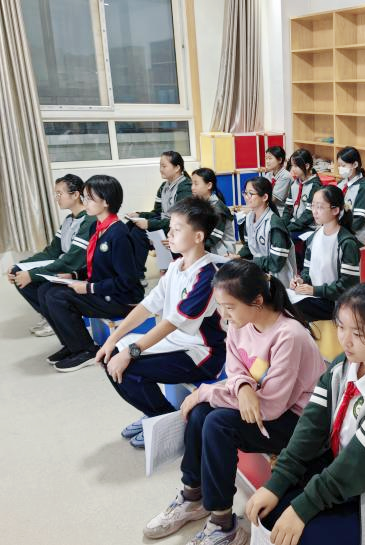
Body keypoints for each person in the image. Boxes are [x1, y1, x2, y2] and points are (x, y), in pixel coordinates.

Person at [142, 260, 325, 545]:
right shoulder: (241, 322)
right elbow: (235, 367)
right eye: (220, 306)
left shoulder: (289, 335)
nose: (223, 315)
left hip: (299, 421)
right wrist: (242, 387)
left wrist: (206, 392)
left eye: (229, 307)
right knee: (201, 413)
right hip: (265, 403)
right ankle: (193, 494)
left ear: (257, 301)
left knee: (217, 421)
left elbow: (271, 406)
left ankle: (223, 524)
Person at [246, 281, 365, 545]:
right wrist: (277, 482)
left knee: (297, 533)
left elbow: (359, 465)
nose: (345, 339)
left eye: (358, 332)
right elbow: (311, 427)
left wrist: (302, 509)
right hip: (339, 474)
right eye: (341, 327)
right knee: (268, 515)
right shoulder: (342, 366)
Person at [97, 197, 226, 449]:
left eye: (177, 229)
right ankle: (154, 414)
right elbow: (147, 306)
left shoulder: (208, 275)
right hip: (174, 343)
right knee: (109, 356)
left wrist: (130, 352)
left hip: (202, 354)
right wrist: (112, 340)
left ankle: (166, 421)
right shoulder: (177, 266)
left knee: (128, 366)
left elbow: (172, 323)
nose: (169, 235)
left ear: (198, 237)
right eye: (170, 229)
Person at [43, 175, 144, 372]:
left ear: (106, 202)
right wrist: (74, 276)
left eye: (90, 198)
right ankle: (71, 345)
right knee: (46, 289)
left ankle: (87, 351)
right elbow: (98, 266)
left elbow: (128, 281)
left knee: (57, 297)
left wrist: (89, 287)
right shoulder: (96, 228)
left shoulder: (119, 234)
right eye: (85, 197)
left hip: (121, 300)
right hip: (102, 290)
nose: (85, 202)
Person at [7, 174, 94, 337]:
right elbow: (52, 251)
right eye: (56, 194)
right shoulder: (68, 220)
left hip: (76, 270)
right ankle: (48, 315)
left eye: (60, 193)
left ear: (75, 195)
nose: (56, 198)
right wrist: (21, 264)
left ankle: (54, 316)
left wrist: (32, 274)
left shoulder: (89, 221)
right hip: (63, 264)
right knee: (17, 271)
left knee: (29, 277)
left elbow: (72, 261)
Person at [290, 185, 361, 321]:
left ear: (335, 210)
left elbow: (348, 286)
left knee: (294, 308)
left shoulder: (346, 242)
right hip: (316, 296)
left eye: (320, 207)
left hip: (336, 303)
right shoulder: (314, 236)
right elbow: (307, 269)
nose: (315, 212)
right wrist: (301, 280)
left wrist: (314, 290)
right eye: (313, 206)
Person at [126, 150, 193, 278]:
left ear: (177, 168)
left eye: (164, 166)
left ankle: (137, 275)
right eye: (160, 166)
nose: (161, 169)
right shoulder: (163, 187)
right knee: (129, 225)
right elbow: (157, 212)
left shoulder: (185, 187)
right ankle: (130, 271)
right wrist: (139, 215)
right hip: (165, 225)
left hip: (177, 228)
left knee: (138, 233)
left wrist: (149, 224)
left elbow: (181, 220)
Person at [237, 176, 297, 287]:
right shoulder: (249, 217)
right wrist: (238, 256)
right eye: (245, 193)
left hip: (278, 280)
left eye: (251, 194)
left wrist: (251, 262)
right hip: (259, 272)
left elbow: (276, 263)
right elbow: (249, 246)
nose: (246, 197)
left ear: (264, 197)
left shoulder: (274, 224)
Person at [190, 167, 236, 256]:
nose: (192, 188)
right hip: (207, 252)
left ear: (209, 185)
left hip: (223, 256)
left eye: (196, 184)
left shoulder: (218, 209)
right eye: (192, 184)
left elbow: (212, 240)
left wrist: (189, 245)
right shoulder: (200, 205)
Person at [337, 146, 365, 244]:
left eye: (343, 165)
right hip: (340, 231)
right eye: (339, 165)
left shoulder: (364, 189)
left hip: (355, 238)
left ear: (355, 164)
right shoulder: (341, 183)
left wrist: (337, 231)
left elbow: (358, 221)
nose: (340, 169)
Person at [282, 148, 322, 237]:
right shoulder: (294, 183)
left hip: (309, 227)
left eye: (296, 166)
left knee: (284, 237)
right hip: (295, 224)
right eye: (292, 165)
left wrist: (288, 228)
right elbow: (288, 208)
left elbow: (309, 214)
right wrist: (282, 225)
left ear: (307, 166)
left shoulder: (315, 186)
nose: (293, 169)